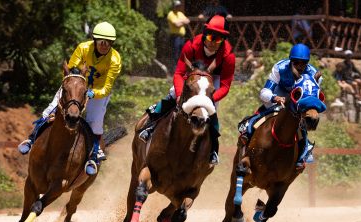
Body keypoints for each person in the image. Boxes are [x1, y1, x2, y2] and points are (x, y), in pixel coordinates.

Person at [18, 22, 121, 176]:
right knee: (50, 109)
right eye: (102, 42)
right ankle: (31, 138)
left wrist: (93, 93)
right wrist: (75, 88)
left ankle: (93, 157)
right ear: (95, 40)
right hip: (76, 86)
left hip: (97, 92)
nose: (105, 46)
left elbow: (107, 87)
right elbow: (70, 73)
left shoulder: (115, 59)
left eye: (109, 43)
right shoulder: (83, 48)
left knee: (95, 121)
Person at [139, 15, 235, 165]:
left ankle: (213, 149)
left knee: (212, 109)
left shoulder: (229, 56)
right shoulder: (191, 45)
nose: (213, 42)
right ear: (205, 34)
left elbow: (225, 86)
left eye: (219, 39)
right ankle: (150, 126)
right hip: (193, 75)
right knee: (172, 93)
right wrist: (178, 95)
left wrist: (208, 99)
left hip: (212, 78)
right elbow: (178, 73)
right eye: (211, 37)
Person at [259, 43, 321, 169]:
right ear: (290, 61)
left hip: (299, 99)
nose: (299, 66)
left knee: (303, 119)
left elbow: (314, 100)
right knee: (267, 105)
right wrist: (274, 98)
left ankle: (304, 152)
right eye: (296, 62)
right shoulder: (279, 67)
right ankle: (249, 127)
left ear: (307, 63)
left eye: (303, 63)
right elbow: (264, 92)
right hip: (280, 92)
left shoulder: (314, 75)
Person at [167, 0, 190, 72]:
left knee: (182, 55)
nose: (178, 7)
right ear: (173, 6)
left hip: (181, 38)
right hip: (174, 37)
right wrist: (183, 22)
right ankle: (174, 71)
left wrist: (181, 22)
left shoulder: (180, 14)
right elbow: (176, 24)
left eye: (179, 6)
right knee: (175, 55)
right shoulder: (171, 14)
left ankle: (180, 70)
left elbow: (187, 20)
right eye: (176, 6)